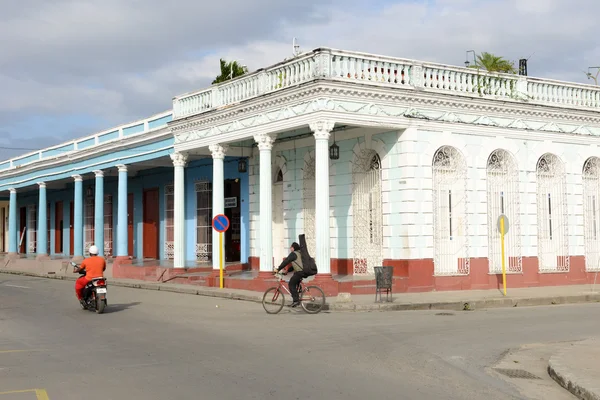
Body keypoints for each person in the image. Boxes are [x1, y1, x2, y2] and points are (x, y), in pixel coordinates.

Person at [274, 242, 308, 307]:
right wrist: (288, 271)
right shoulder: (299, 253)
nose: (290, 248)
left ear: (293, 248)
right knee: (295, 282)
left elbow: (286, 261)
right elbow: (295, 265)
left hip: (299, 272)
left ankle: (296, 301)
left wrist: (278, 269)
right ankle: (298, 294)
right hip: (303, 271)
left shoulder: (293, 254)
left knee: (291, 284)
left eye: (291, 247)